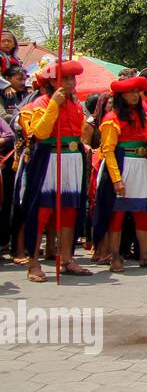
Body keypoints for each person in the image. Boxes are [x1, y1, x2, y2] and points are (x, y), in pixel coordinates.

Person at [18, 60, 93, 280]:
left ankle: (67, 257)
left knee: (70, 210)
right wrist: (53, 105)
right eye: (65, 79)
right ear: (52, 81)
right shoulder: (38, 104)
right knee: (41, 211)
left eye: (72, 79)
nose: (70, 83)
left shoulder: (77, 104)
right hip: (48, 158)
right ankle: (33, 262)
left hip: (72, 159)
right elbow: (39, 133)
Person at [96, 76, 147, 272]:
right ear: (121, 95)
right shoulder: (111, 119)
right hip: (122, 165)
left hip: (141, 165)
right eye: (130, 92)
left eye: (138, 92)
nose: (135, 96)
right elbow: (108, 150)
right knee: (117, 214)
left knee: (143, 213)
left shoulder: (145, 117)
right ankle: (115, 256)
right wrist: (116, 179)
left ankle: (145, 255)